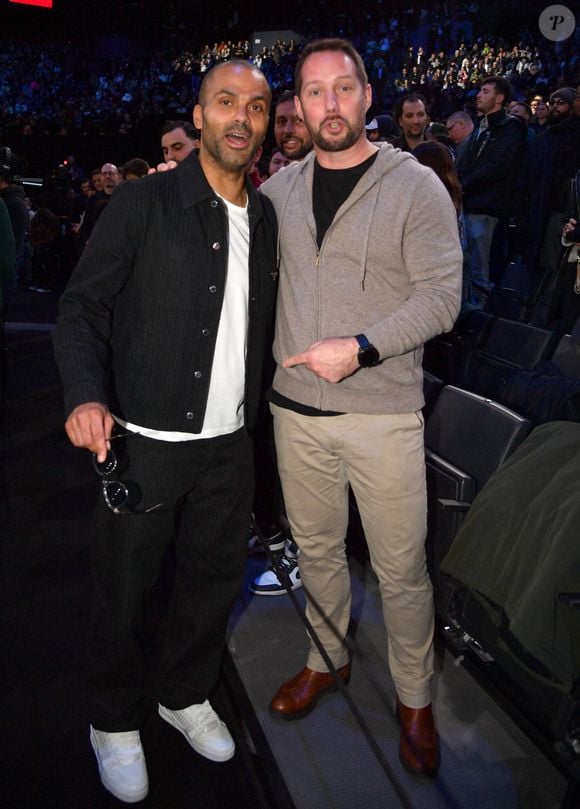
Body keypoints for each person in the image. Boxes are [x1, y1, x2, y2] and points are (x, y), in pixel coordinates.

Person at [52, 59, 277, 804]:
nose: (241, 117)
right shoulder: (144, 202)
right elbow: (82, 308)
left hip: (230, 448)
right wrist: (86, 395)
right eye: (225, 102)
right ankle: (111, 720)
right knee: (122, 593)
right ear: (200, 114)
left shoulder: (266, 215)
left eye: (256, 106)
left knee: (212, 584)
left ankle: (184, 694)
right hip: (143, 442)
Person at [260, 38, 462, 779]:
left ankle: (415, 699)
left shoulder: (415, 186)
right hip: (295, 413)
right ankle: (327, 657)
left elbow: (443, 296)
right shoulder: (278, 193)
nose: (330, 105)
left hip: (382, 414)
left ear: (368, 96)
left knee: (401, 569)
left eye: (343, 88)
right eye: (314, 93)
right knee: (314, 551)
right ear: (299, 107)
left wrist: (365, 346)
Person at [456, 76, 526, 308]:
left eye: (485, 91)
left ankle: (479, 321)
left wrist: (463, 186)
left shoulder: (511, 126)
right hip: (470, 205)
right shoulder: (481, 128)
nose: (479, 95)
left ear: (499, 98)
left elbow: (497, 165)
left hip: (487, 208)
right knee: (466, 267)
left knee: (479, 270)